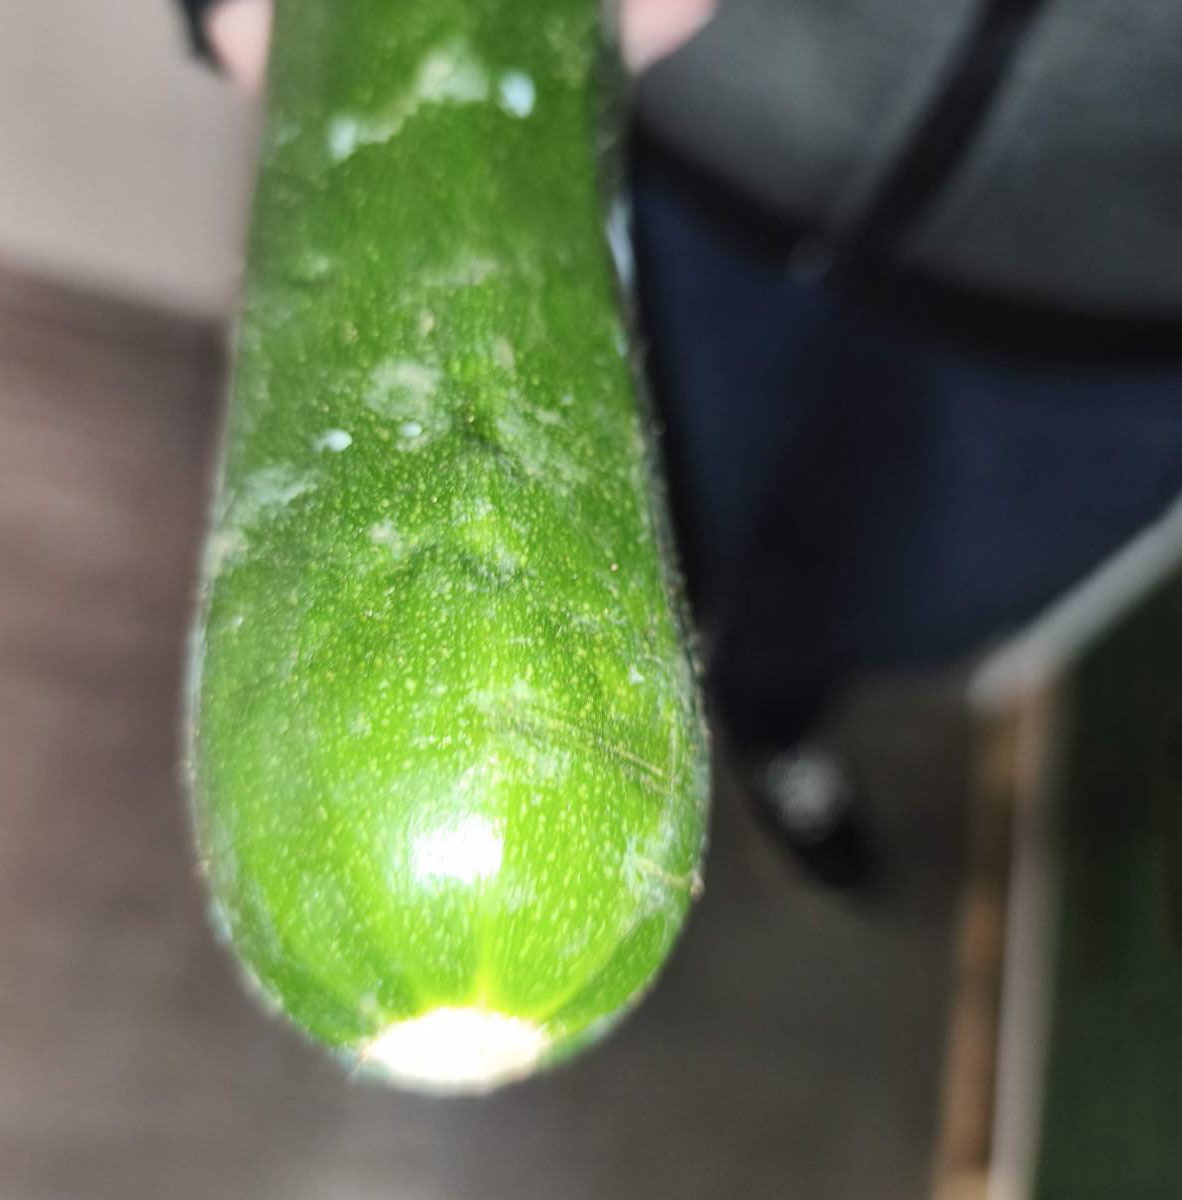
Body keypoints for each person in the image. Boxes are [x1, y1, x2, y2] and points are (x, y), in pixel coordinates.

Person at [179, 0, 1182, 888]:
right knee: (624, 563)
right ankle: (649, 726)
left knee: (901, 608)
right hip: (679, 156)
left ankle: (773, 727)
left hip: (1110, 325)